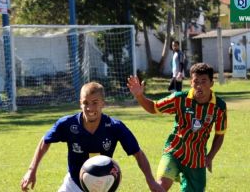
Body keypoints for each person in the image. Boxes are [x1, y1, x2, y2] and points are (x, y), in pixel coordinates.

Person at [20, 82, 164, 192]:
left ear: (103, 103)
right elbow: (45, 141)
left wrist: (150, 180)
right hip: (74, 184)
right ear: (80, 104)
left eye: (95, 103)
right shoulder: (67, 124)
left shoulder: (115, 126)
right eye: (85, 103)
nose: (90, 108)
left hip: (104, 185)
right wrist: (31, 170)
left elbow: (138, 153)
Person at [127, 63, 227, 192]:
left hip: (196, 160)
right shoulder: (180, 99)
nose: (199, 86)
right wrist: (139, 96)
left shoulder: (219, 107)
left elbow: (220, 134)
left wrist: (210, 156)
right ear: (191, 82)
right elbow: (153, 107)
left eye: (204, 81)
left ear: (211, 83)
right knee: (160, 187)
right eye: (196, 81)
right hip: (174, 152)